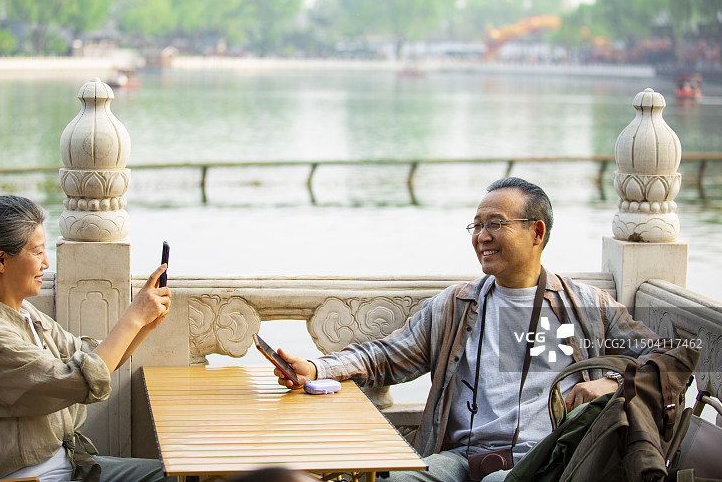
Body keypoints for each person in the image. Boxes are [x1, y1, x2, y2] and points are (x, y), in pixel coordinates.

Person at [274, 177, 666, 482]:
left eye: (495, 223)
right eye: (476, 225)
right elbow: (387, 355)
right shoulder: (456, 306)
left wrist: (614, 381)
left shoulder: (586, 307)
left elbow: (670, 357)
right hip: (460, 459)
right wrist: (316, 368)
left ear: (537, 233)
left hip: (546, 461)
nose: (482, 236)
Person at [0, 195, 175, 482]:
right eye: (37, 252)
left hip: (62, 463)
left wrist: (144, 324)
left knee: (177, 475)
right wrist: (134, 317)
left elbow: (91, 356)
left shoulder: (19, 311)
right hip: (26, 478)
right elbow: (80, 378)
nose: (46, 263)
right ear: (1, 260)